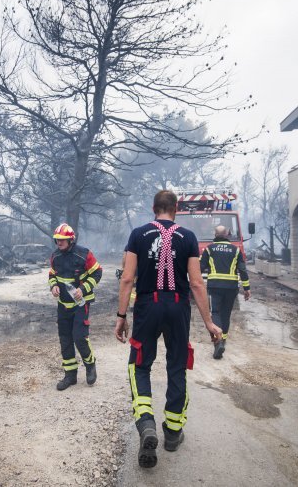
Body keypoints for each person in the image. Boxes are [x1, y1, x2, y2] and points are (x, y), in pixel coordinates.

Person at [114, 190, 222, 468]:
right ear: (176, 209)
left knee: (139, 365)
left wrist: (121, 316)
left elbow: (127, 278)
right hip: (177, 307)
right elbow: (197, 283)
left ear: (153, 208)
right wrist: (209, 321)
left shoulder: (138, 234)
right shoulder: (188, 238)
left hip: (148, 306)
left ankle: (146, 421)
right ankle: (173, 433)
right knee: (176, 366)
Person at [48, 222, 103, 390]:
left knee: (79, 337)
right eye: (57, 240)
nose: (59, 243)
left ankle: (90, 364)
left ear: (71, 240)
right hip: (63, 305)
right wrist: (53, 286)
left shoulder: (84, 254)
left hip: (81, 304)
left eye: (63, 240)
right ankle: (70, 375)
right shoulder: (55, 256)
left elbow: (97, 272)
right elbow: (52, 274)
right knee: (65, 339)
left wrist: (83, 288)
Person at [199, 225, 251, 360]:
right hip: (231, 287)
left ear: (215, 234)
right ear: (227, 234)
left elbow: (200, 268)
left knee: (215, 313)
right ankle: (224, 341)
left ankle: (218, 341)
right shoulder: (236, 250)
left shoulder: (209, 249)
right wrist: (246, 288)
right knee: (226, 314)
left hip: (215, 286)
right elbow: (243, 271)